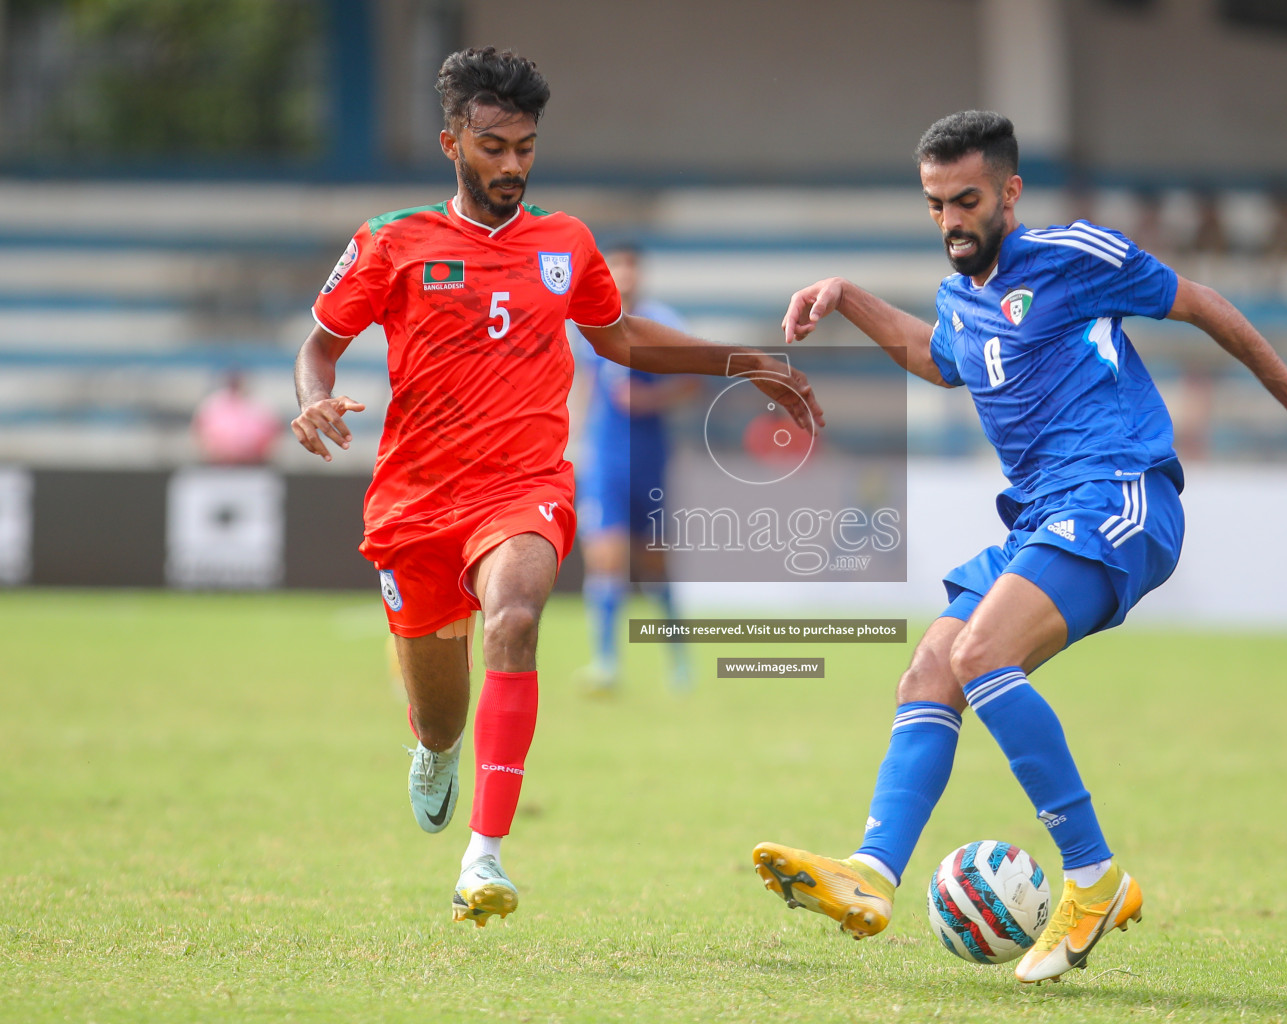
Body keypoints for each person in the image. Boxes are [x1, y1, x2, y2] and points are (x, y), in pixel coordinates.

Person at [751, 111, 1287, 984]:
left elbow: (1201, 303)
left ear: (1009, 192)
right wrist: (845, 293)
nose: (952, 219)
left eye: (968, 200)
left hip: (1120, 493)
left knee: (983, 651)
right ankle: (871, 875)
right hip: (1039, 517)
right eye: (936, 204)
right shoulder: (964, 298)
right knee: (933, 669)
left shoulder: (1073, 255)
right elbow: (936, 353)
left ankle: (1095, 876)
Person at [290, 47, 822, 928]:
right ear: (451, 141)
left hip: (524, 486)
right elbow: (318, 346)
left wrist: (748, 361)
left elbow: (619, 339)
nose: (511, 165)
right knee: (436, 715)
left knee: (516, 615)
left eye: (525, 147)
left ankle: (484, 859)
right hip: (415, 500)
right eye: (493, 146)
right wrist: (312, 403)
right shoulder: (391, 240)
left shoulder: (566, 243)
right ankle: (438, 748)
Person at [573, 242, 697, 693]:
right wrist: (577, 442)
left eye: (631, 268)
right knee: (605, 558)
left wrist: (651, 400)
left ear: (640, 273)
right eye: (617, 268)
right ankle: (605, 663)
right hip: (605, 459)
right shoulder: (588, 320)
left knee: (653, 566)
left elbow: (691, 381)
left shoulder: (662, 322)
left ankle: (680, 662)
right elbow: (586, 386)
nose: (625, 276)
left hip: (649, 459)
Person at [192, 371, 281, 464]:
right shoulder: (212, 404)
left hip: (253, 464)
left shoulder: (261, 406)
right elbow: (198, 431)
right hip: (216, 464)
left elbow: (275, 432)